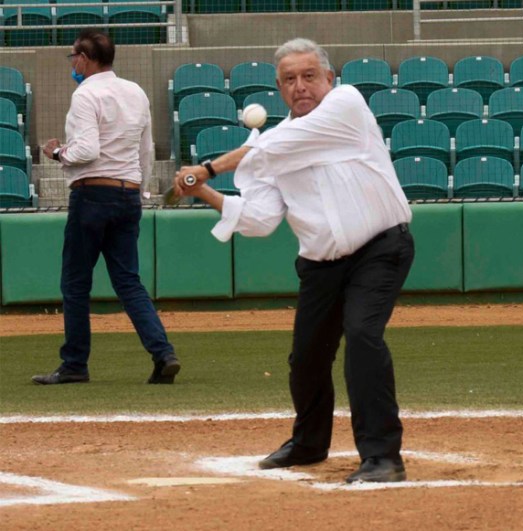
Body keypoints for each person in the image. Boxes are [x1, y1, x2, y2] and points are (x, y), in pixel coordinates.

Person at [172, 38, 414, 483]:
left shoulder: (347, 105)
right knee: (306, 358)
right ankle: (308, 443)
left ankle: (382, 456)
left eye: (308, 76)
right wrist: (202, 191)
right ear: (279, 89)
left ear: (328, 79)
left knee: (362, 337)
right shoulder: (271, 147)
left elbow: (273, 147)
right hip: (322, 263)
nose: (300, 86)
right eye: (289, 80)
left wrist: (208, 168)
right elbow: (260, 220)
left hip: (380, 248)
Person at [33, 29, 179, 386]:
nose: (73, 63)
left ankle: (74, 364)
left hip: (92, 195)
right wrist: (140, 189)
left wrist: (55, 153)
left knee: (76, 282)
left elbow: (86, 151)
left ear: (84, 57)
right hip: (128, 193)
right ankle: (163, 353)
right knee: (129, 282)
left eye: (74, 57)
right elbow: (146, 150)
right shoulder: (136, 91)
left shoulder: (85, 95)